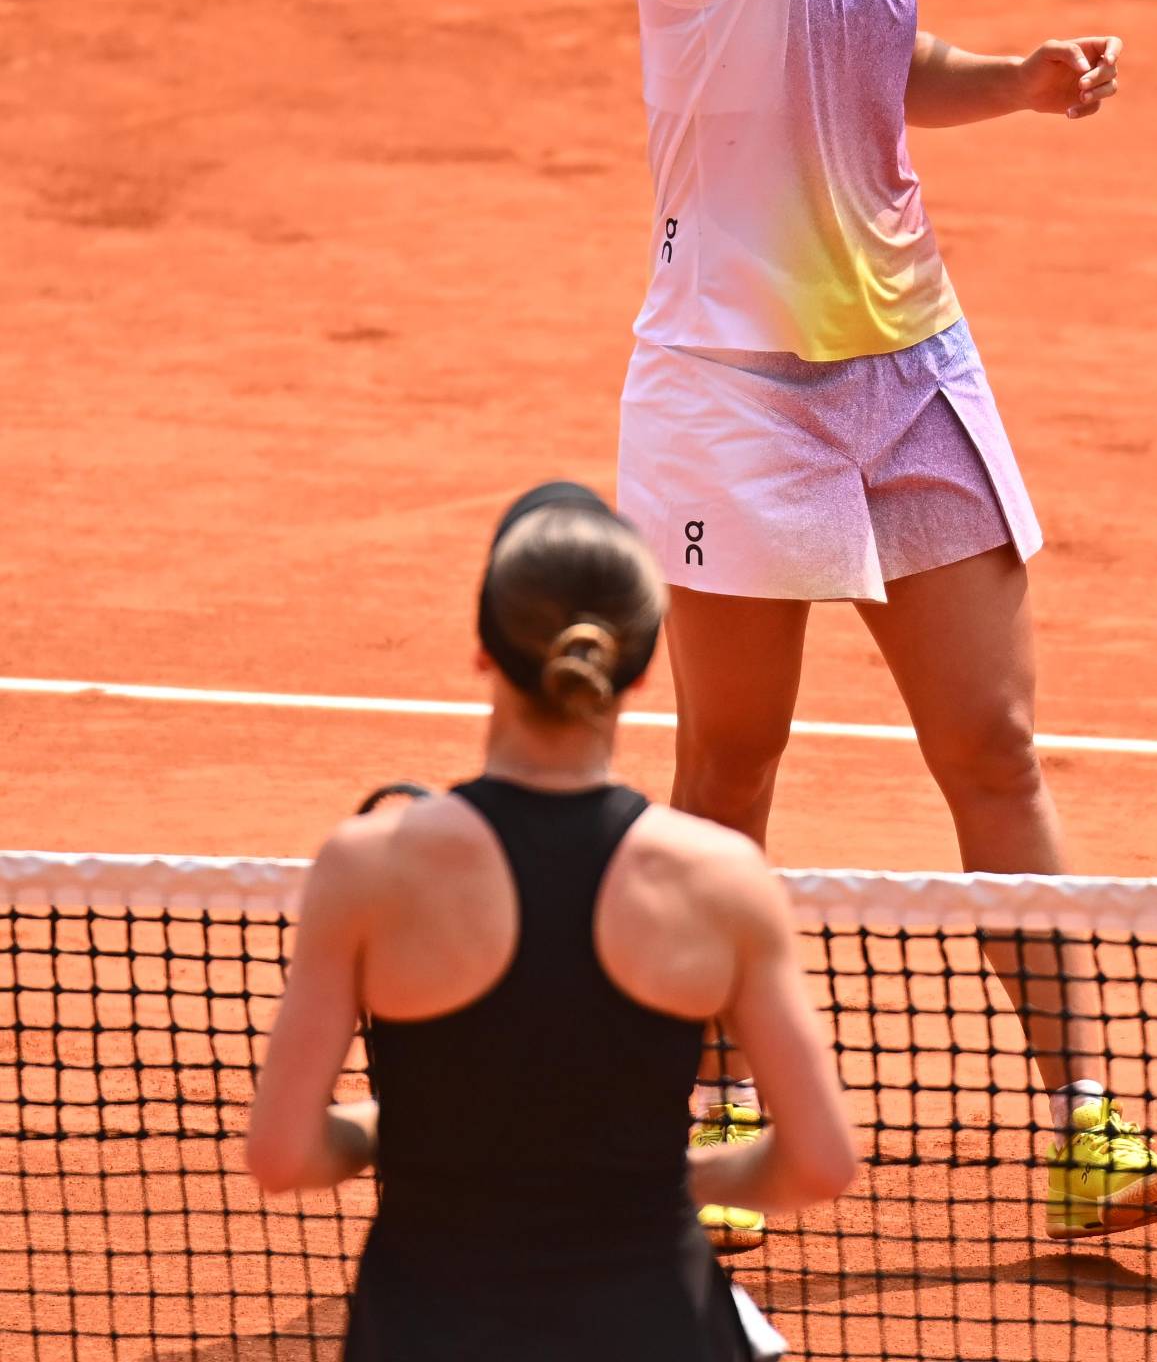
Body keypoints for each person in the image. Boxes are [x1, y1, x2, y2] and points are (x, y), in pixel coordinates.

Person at [619, 0, 1157, 1249]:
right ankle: (708, 1117)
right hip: (739, 392)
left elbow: (873, 66)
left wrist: (1003, 83)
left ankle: (1086, 1124)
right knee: (729, 764)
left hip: (910, 367)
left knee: (995, 750)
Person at [246, 481, 856, 1359]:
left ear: (484, 651)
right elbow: (819, 1163)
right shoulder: (723, 880)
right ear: (641, 667)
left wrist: (405, 1124)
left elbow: (283, 1155)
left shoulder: (367, 867)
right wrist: (638, 1176)